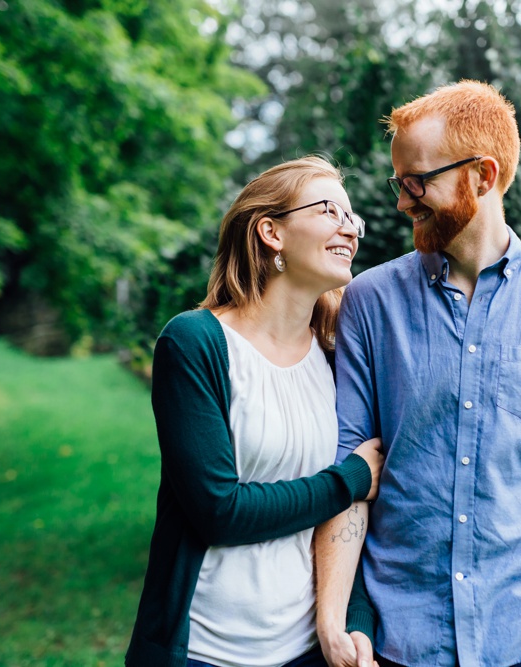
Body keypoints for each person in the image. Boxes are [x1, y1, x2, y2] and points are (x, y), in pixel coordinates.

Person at [315, 81, 521, 667]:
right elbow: (353, 475)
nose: (402, 202)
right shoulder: (368, 302)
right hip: (404, 638)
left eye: (418, 183)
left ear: (483, 176)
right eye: (399, 183)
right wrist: (337, 618)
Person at [125, 156, 385, 667]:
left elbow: (348, 521)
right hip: (202, 651)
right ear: (271, 232)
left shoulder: (337, 353)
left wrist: (352, 621)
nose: (349, 229)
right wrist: (348, 479)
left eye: (352, 218)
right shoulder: (195, 343)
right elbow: (218, 512)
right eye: (330, 210)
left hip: (308, 652)